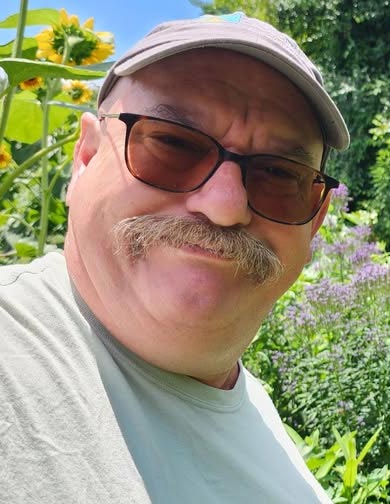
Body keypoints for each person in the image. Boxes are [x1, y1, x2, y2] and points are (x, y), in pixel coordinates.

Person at [0, 12, 349, 503]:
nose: (226, 206)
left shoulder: (255, 410)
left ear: (314, 221)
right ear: (85, 157)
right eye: (172, 143)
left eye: (277, 174)